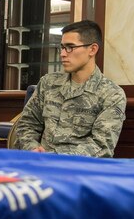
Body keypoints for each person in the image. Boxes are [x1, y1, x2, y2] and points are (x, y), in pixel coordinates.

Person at [13, 20, 126, 157]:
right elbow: (27, 124)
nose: (63, 53)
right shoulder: (48, 83)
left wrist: (54, 158)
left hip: (77, 170)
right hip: (39, 163)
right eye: (62, 47)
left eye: (70, 47)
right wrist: (32, 147)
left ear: (92, 49)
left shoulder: (111, 94)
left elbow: (101, 146)